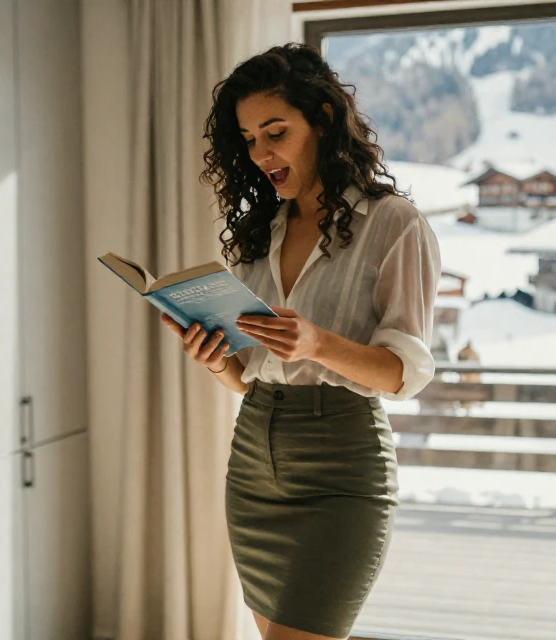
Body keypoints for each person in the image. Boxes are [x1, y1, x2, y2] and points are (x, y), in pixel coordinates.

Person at [160, 43, 442, 640]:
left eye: (275, 132)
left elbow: (404, 374)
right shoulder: (261, 235)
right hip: (254, 465)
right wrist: (213, 360)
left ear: (322, 118)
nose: (262, 153)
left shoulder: (393, 224)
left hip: (341, 465)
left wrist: (317, 343)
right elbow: (248, 374)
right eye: (249, 139)